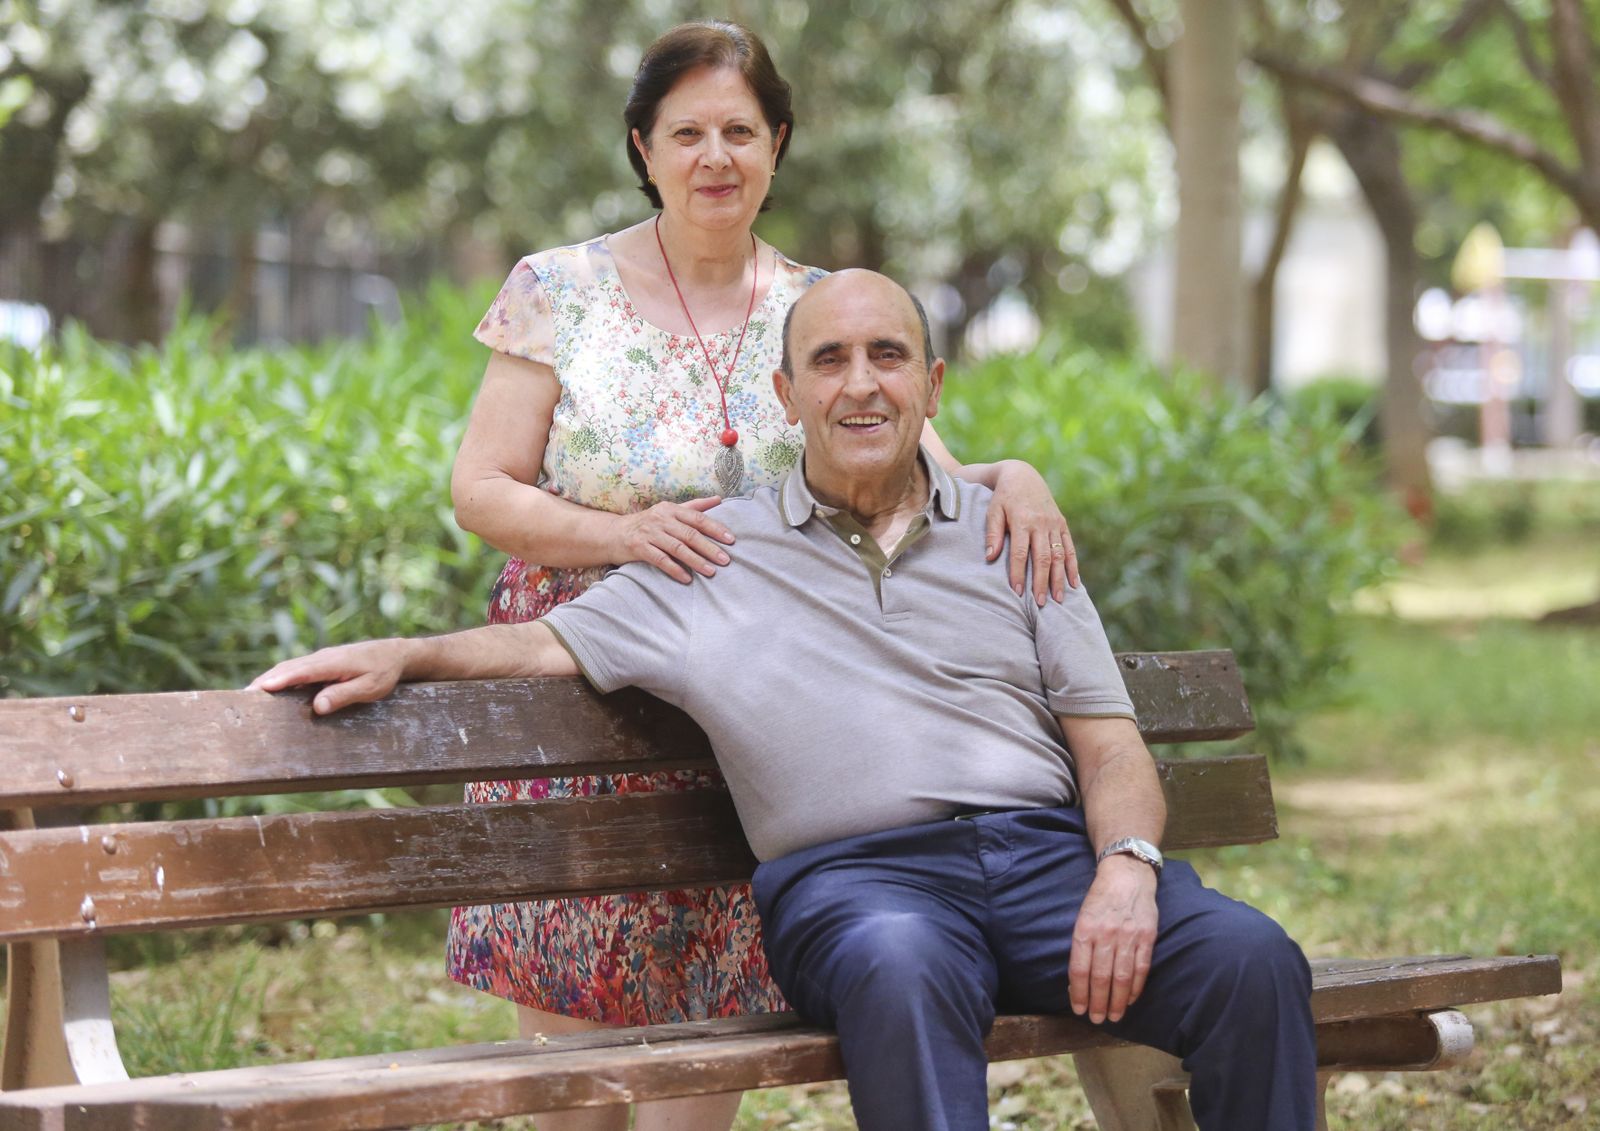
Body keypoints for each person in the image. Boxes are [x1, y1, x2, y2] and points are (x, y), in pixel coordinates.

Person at [256, 270, 1319, 1131]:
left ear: (933, 386)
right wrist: (407, 651)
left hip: (1048, 862)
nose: (861, 384)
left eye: (887, 356)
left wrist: (1128, 872)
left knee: (1248, 958)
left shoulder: (1011, 534)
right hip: (859, 888)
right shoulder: (717, 552)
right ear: (787, 396)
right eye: (829, 360)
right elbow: (540, 643)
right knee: (902, 970)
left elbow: (1109, 744)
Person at [447, 20, 1079, 1131]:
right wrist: (623, 540)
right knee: (576, 1078)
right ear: (641, 147)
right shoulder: (558, 288)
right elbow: (483, 490)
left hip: (763, 704)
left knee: (706, 1046)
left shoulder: (822, 304)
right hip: (581, 691)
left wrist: (1012, 473)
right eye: (685, 131)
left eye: (740, 130)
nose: (714, 157)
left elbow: (917, 466)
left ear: (777, 146)